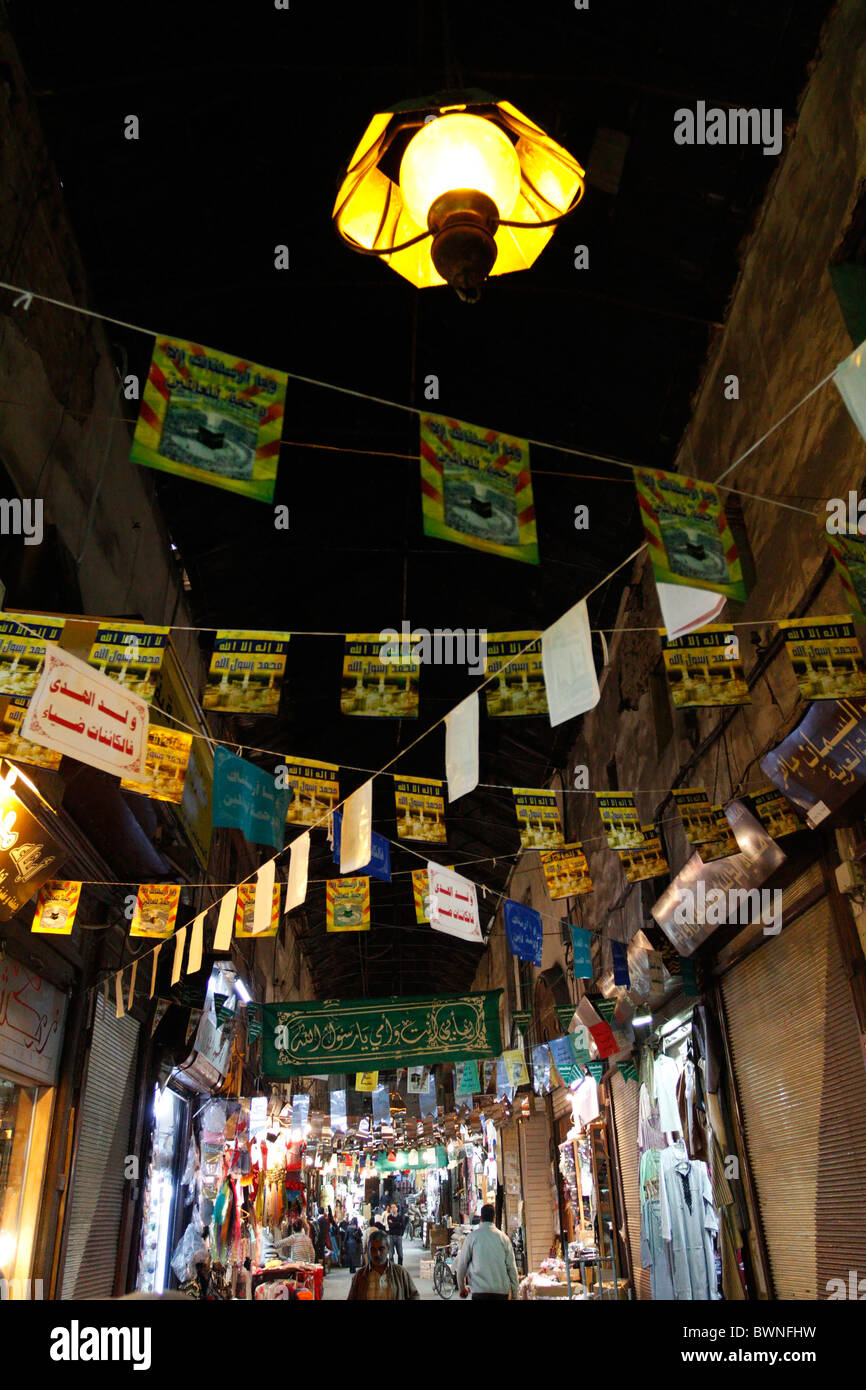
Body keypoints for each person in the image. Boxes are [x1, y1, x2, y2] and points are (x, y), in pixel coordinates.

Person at [456, 1204, 520, 1301]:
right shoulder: (504, 1238)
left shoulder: (472, 1237)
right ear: (494, 1218)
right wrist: (515, 1294)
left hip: (479, 1292)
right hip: (501, 1292)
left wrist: (462, 1288)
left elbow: (462, 1265)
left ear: (481, 1218)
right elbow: (512, 1268)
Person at [347, 1228, 420, 1300]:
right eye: (373, 1249)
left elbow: (414, 1296)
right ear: (368, 1250)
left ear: (388, 1249)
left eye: (381, 1249)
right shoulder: (360, 1276)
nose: (377, 1254)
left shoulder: (401, 1273)